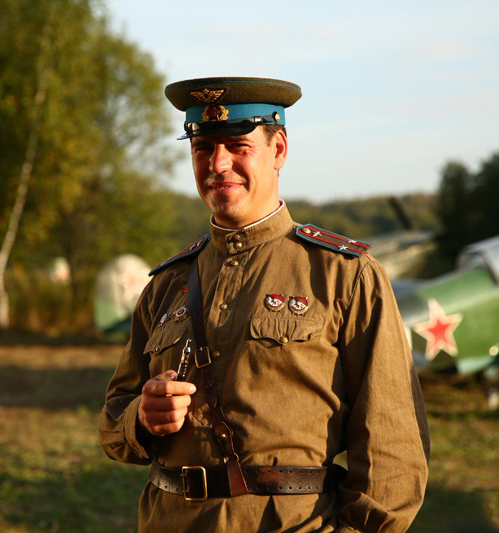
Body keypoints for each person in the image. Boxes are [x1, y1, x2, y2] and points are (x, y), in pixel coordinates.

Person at [99, 76, 430, 532]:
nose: (218, 164)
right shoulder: (166, 284)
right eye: (202, 147)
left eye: (238, 146)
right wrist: (141, 417)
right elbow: (112, 422)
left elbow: (392, 446)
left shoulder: (344, 274)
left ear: (279, 151)